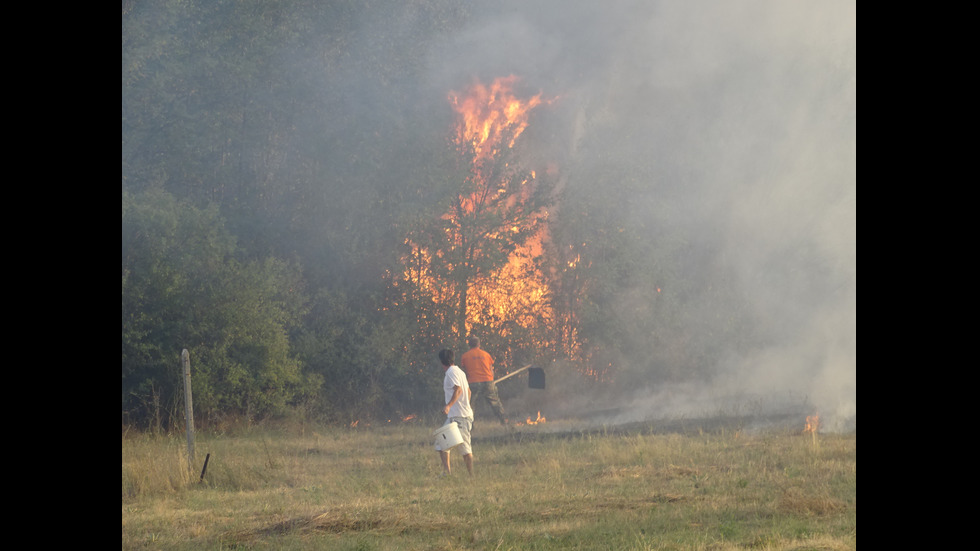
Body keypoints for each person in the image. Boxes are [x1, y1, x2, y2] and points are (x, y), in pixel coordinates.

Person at [436, 348, 473, 476]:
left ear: (442, 361)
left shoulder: (451, 373)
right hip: (456, 416)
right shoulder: (460, 372)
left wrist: (448, 406)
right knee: (442, 443)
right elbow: (468, 392)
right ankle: (447, 473)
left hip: (460, 417)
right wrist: (465, 404)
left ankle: (472, 476)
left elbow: (458, 390)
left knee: (465, 449)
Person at [459, 336, 508, 425]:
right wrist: (491, 382)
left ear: (469, 345)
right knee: (495, 402)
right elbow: (491, 370)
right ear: (479, 344)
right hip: (487, 381)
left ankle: (470, 426)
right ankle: (504, 421)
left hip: (473, 382)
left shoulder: (465, 356)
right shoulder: (486, 354)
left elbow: (464, 372)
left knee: (470, 404)